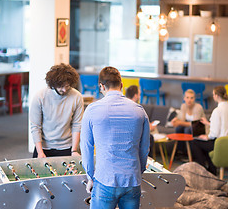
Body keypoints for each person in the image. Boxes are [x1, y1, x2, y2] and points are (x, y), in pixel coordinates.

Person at [80, 67, 150, 209]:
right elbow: (144, 148)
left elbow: (86, 146)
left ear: (101, 86)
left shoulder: (92, 110)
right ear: (122, 85)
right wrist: (138, 172)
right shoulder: (139, 111)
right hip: (132, 180)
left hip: (104, 179)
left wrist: (90, 176)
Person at [30, 63, 84, 158]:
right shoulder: (40, 97)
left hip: (67, 146)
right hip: (44, 147)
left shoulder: (77, 97)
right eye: (61, 86)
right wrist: (40, 152)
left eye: (67, 86)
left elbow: (77, 125)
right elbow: (35, 126)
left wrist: (74, 150)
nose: (64, 90)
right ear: (53, 84)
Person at [190, 86, 228, 175]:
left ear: (217, 96)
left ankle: (203, 170)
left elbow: (214, 134)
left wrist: (206, 137)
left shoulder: (217, 111)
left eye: (213, 94)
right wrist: (208, 123)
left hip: (218, 143)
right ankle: (211, 169)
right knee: (205, 145)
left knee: (195, 142)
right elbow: (223, 125)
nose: (213, 96)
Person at [125, 85, 156, 157]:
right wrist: (149, 127)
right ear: (135, 95)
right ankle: (148, 161)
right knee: (149, 137)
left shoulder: (122, 105)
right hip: (133, 135)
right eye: (139, 94)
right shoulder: (137, 109)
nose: (139, 96)